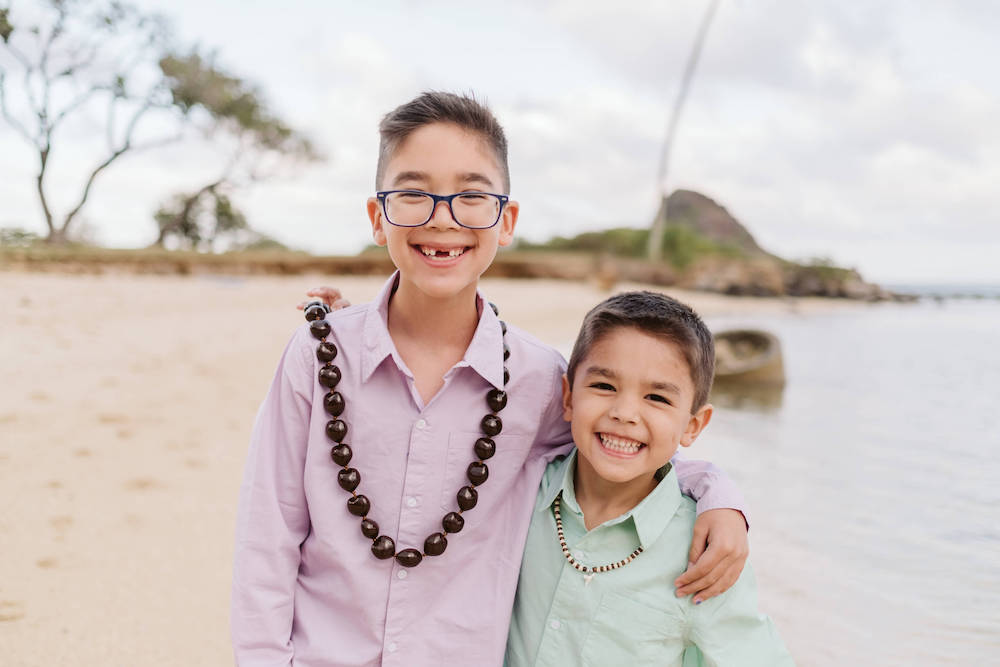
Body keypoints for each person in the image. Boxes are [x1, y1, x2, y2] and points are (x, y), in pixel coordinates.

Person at [232, 91, 750, 666]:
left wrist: (718, 497)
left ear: (506, 221)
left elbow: (624, 441)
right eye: (413, 193)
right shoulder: (316, 356)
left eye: (471, 196)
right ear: (379, 218)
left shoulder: (538, 381)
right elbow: (267, 538)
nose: (442, 217)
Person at [506, 291, 792, 666]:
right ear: (569, 397)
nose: (625, 413)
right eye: (604, 386)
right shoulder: (522, 490)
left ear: (693, 425)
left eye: (657, 398)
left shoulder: (706, 555)